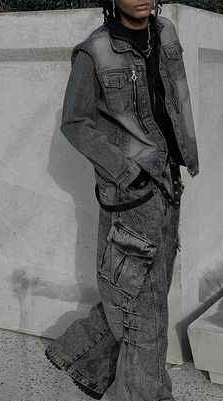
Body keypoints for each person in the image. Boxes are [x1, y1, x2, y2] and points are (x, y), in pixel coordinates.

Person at [45, 1, 199, 400]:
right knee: (143, 319)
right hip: (130, 199)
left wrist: (183, 158)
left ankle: (77, 355)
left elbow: (174, 101)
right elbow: (75, 123)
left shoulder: (165, 33)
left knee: (142, 302)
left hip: (169, 186)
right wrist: (127, 171)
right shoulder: (93, 52)